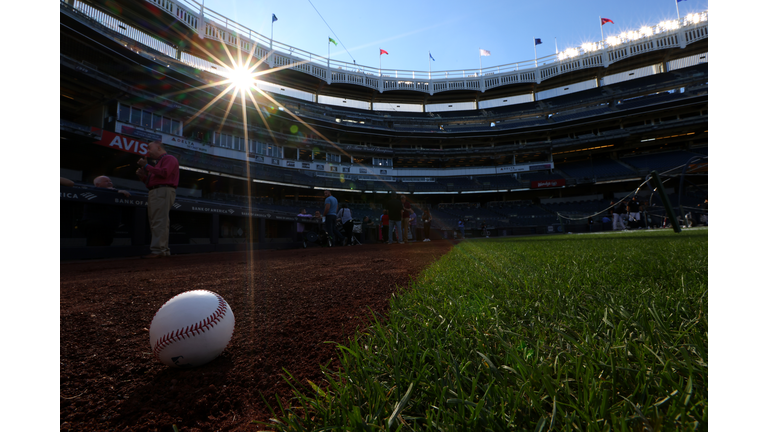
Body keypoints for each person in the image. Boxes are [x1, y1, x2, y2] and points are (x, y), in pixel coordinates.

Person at [135, 141, 179, 258]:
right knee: (156, 221)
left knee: (159, 221)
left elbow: (164, 174)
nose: (148, 151)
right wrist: (143, 177)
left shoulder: (169, 158)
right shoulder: (158, 162)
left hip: (163, 190)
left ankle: (159, 251)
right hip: (157, 190)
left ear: (158, 148)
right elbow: (154, 182)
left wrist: (146, 166)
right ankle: (161, 250)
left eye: (149, 148)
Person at [80, 176, 132, 246]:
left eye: (110, 181)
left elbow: (131, 195)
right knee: (95, 245)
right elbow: (95, 190)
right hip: (95, 225)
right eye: (106, 181)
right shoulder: (92, 191)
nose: (109, 182)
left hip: (110, 226)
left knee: (106, 244)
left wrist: (115, 192)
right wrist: (115, 191)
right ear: (98, 184)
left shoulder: (115, 194)